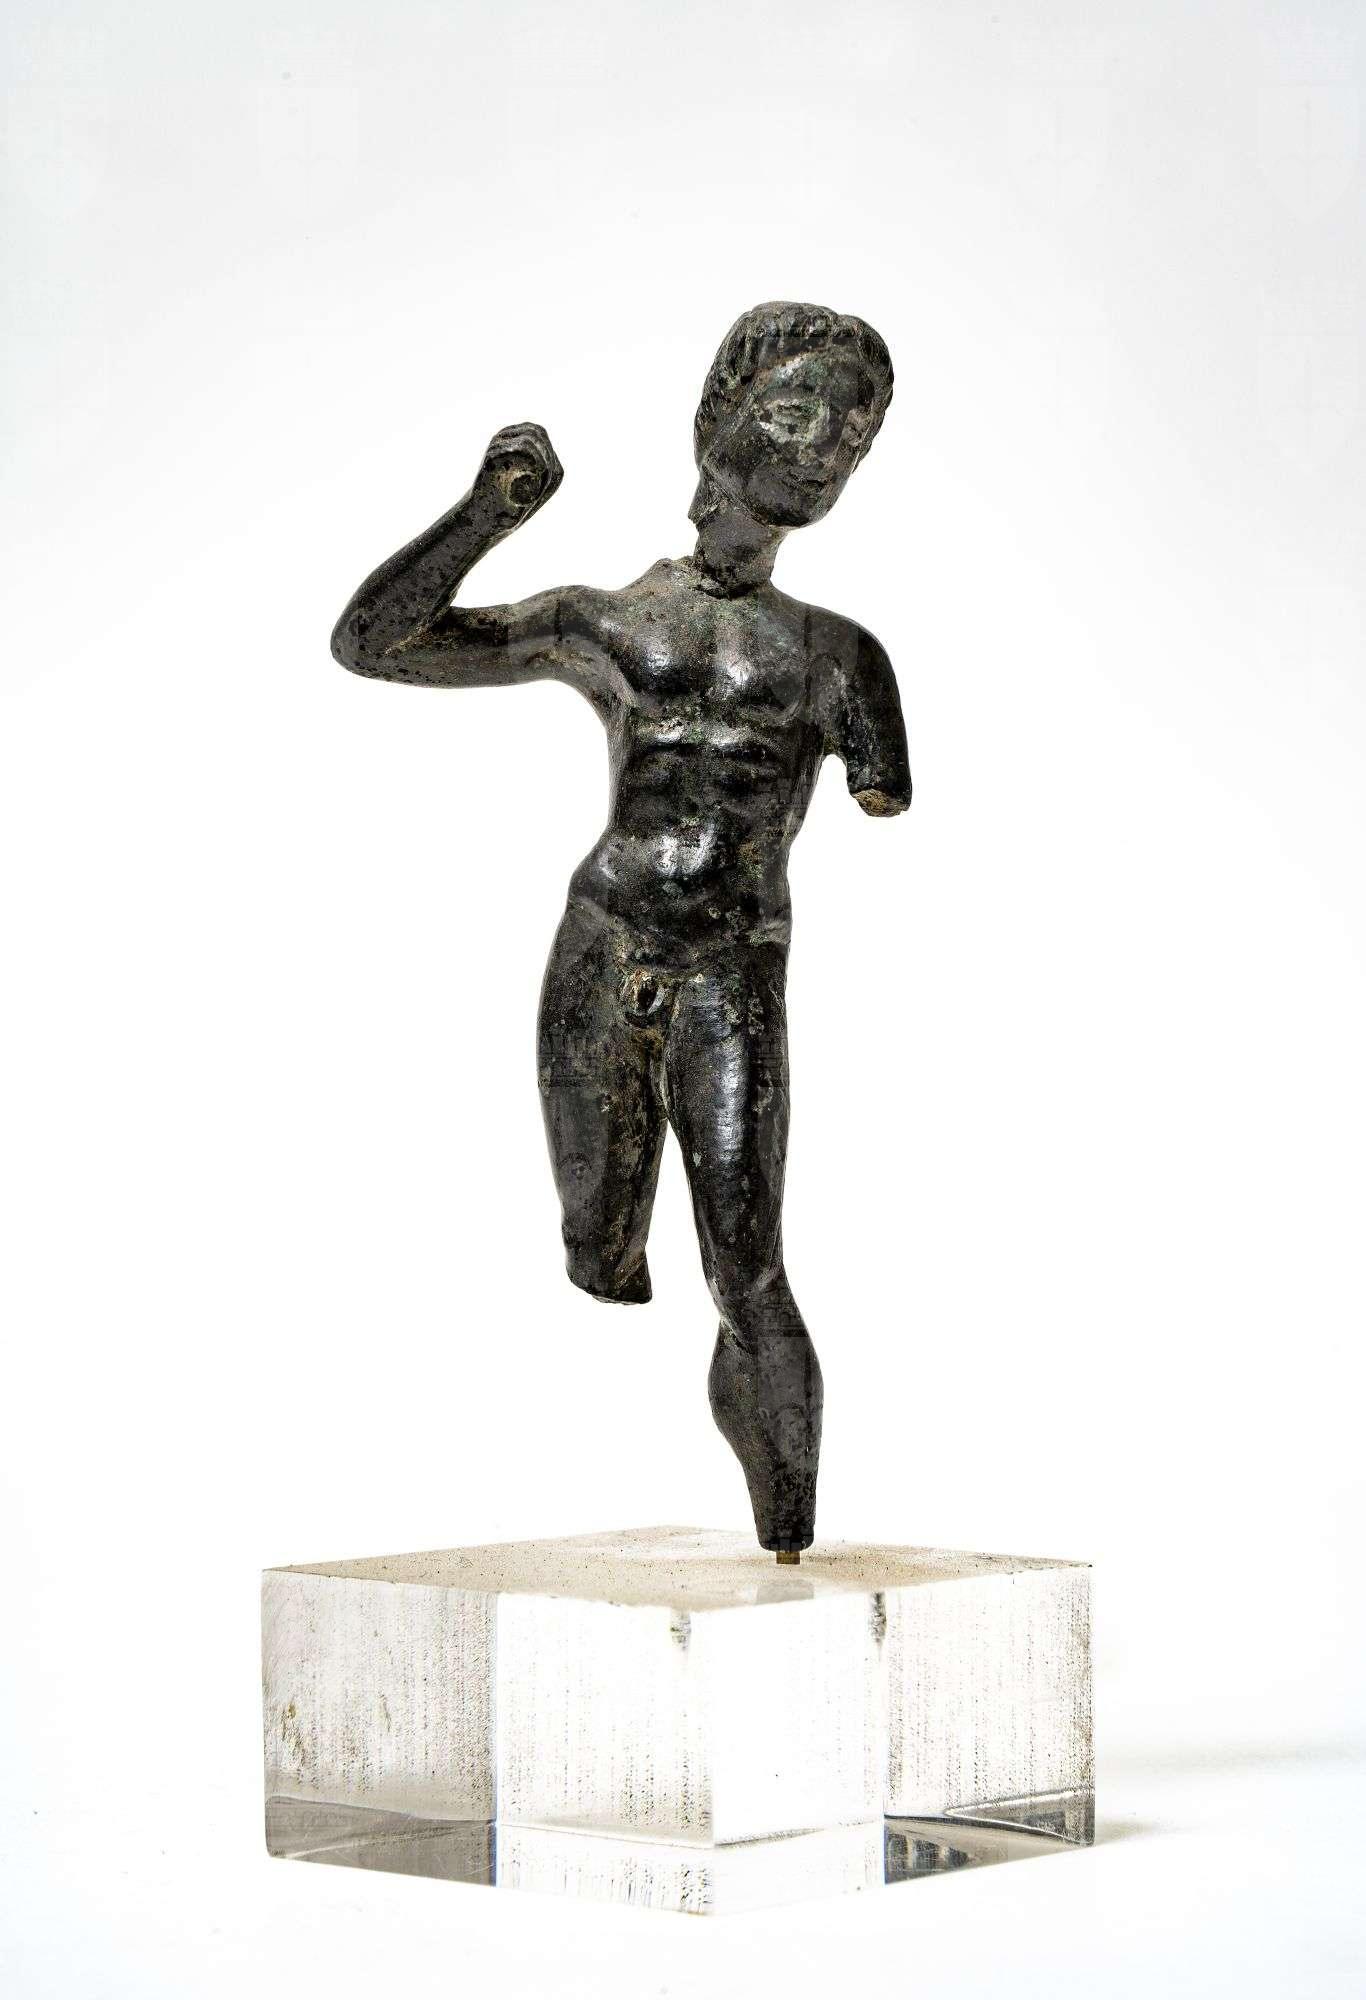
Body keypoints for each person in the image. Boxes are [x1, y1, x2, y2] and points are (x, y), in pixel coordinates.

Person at [332, 303, 910, 1555]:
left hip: (731, 971)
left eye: (852, 435)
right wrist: (487, 514)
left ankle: (789, 1532)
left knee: (746, 1264)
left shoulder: (839, 658)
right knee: (598, 1246)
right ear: (719, 424)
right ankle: (606, 1253)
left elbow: (883, 785)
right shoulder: (607, 620)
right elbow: (373, 644)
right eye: (797, 412)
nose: (823, 448)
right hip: (603, 947)